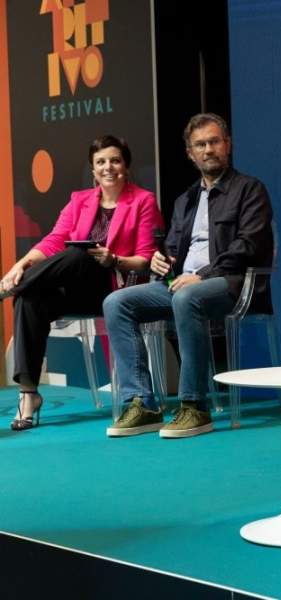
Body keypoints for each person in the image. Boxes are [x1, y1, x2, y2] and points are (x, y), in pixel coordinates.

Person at [103, 113, 273, 439]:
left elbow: (249, 245)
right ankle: (141, 402)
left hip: (232, 283)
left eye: (214, 142)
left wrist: (203, 274)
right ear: (190, 154)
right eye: (200, 145)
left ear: (228, 145)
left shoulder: (250, 190)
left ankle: (194, 406)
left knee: (186, 296)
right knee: (116, 303)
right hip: (183, 285)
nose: (208, 149)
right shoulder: (185, 200)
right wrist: (160, 261)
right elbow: (171, 250)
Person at [0, 135, 163, 431]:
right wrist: (20, 265)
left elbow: (145, 259)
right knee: (30, 298)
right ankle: (28, 394)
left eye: (114, 160)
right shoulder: (80, 200)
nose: (108, 167)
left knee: (79, 254)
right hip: (77, 288)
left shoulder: (143, 201)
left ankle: (11, 288)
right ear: (93, 169)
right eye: (101, 162)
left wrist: (113, 258)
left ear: (125, 165)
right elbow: (53, 240)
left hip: (115, 286)